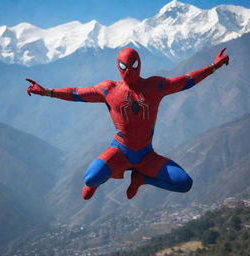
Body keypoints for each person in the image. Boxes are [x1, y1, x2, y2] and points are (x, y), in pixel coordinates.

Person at [26, 47, 229, 200]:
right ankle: (103, 179)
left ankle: (141, 179)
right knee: (89, 180)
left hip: (146, 155)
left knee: (184, 184)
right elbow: (76, 93)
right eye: (124, 66)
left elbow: (186, 80)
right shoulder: (109, 90)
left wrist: (214, 67)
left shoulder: (155, 86)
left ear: (140, 65)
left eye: (133, 66)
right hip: (119, 151)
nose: (129, 71)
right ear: (117, 67)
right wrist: (46, 92)